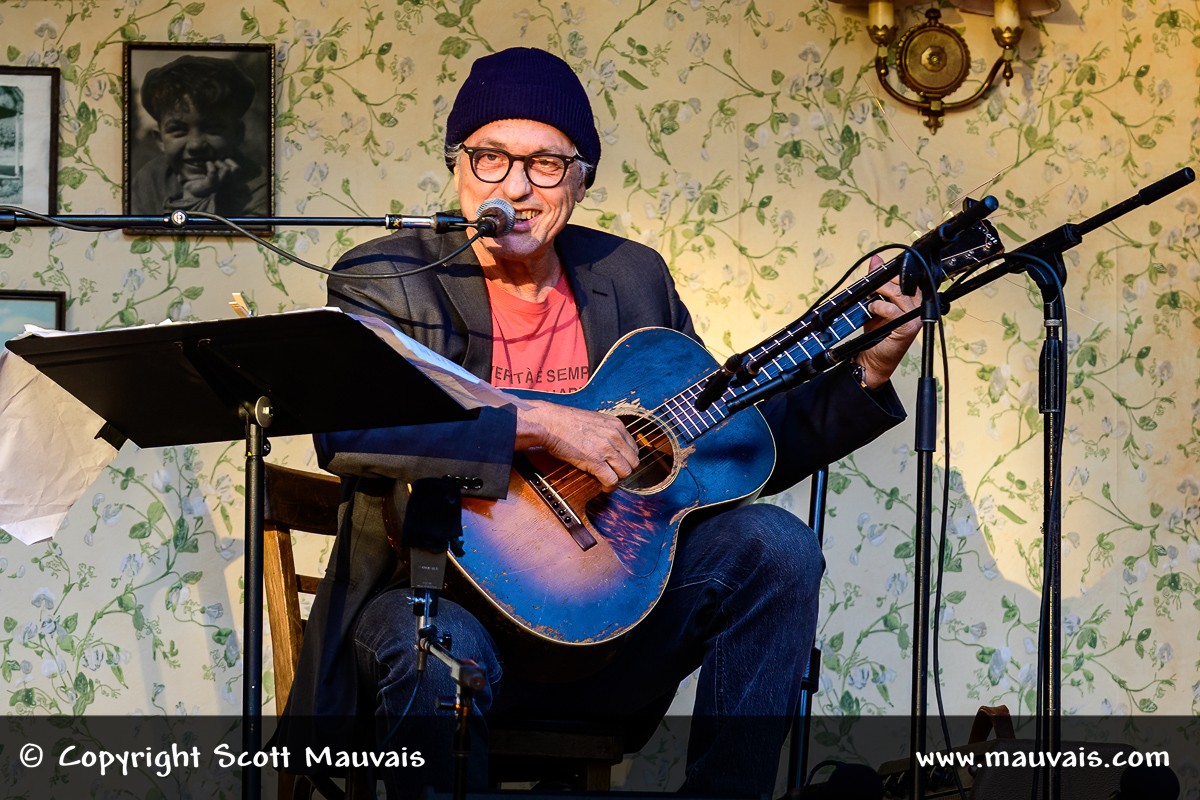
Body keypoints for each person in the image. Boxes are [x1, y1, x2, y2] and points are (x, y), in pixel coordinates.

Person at [274, 46, 920, 797]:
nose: (514, 186)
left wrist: (868, 370)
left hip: (611, 636)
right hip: (439, 606)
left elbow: (725, 443)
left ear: (581, 180)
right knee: (431, 648)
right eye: (490, 158)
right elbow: (353, 434)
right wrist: (542, 424)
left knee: (776, 546)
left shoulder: (630, 276)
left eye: (546, 164)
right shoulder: (389, 278)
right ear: (457, 166)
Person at [129, 55, 269, 216]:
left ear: (237, 133)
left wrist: (211, 199)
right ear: (160, 139)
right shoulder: (150, 180)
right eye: (178, 130)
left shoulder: (261, 189)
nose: (195, 145)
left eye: (212, 129)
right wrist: (193, 196)